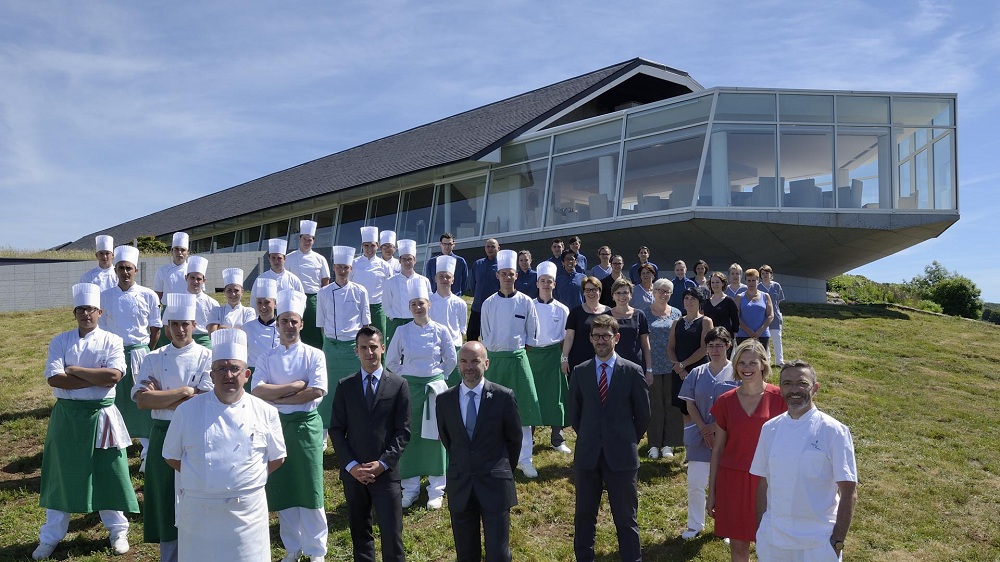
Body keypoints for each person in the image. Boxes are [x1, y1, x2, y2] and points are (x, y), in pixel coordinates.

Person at [162, 329, 287, 562]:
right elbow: (171, 455)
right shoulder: (186, 411)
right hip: (200, 512)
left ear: (247, 374)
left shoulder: (266, 411)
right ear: (211, 375)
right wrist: (203, 478)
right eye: (221, 369)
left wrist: (244, 481)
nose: (228, 375)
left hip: (247, 514)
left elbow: (277, 457)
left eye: (234, 369)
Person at [33, 283, 138, 561]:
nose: (85, 314)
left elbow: (113, 377)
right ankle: (50, 536)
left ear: (99, 312)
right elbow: (55, 379)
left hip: (102, 416)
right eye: (80, 309)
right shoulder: (60, 341)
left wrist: (75, 370)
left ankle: (118, 531)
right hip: (67, 416)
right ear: (75, 313)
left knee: (110, 472)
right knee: (62, 474)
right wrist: (95, 377)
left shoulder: (112, 340)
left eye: (90, 309)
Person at [133, 292, 214, 562]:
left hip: (195, 432)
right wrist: (185, 391)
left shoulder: (207, 356)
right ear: (167, 327)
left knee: (196, 493)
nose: (180, 330)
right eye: (175, 324)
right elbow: (142, 401)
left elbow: (206, 399)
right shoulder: (154, 357)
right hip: (162, 432)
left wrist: (162, 397)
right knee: (166, 497)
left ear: (194, 325)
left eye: (185, 324)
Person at [751, 361, 859, 561]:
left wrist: (837, 542)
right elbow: (763, 483)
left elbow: (849, 492)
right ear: (780, 388)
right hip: (773, 541)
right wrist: (761, 529)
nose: (794, 390)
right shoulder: (770, 429)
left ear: (815, 388)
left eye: (802, 383)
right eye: (787, 383)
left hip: (818, 544)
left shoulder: (834, 431)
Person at [251, 289, 329, 562]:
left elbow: (316, 390)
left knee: (310, 485)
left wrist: (277, 396)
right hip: (275, 427)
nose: (289, 325)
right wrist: (295, 386)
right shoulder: (266, 357)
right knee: (283, 487)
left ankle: (316, 550)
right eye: (284, 320)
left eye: (294, 321)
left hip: (306, 426)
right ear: (278, 323)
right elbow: (257, 390)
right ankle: (292, 547)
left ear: (301, 324)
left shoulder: (314, 355)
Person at [568, 315, 651, 562]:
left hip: (622, 456)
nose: (600, 341)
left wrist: (626, 439)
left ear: (617, 338)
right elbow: (575, 414)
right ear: (590, 339)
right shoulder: (580, 371)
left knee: (626, 519)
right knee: (584, 517)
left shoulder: (632, 371)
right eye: (596, 336)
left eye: (606, 336)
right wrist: (592, 436)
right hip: (588, 456)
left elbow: (643, 415)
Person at [435, 341, 522, 562]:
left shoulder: (503, 397)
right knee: (466, 554)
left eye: (475, 361)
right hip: (461, 485)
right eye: (464, 361)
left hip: (495, 485)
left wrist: (500, 470)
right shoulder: (444, 400)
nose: (469, 366)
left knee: (498, 554)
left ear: (486, 363)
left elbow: (514, 440)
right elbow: (449, 440)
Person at [330, 326, 411, 562]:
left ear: (383, 348)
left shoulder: (398, 385)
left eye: (374, 347)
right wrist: (352, 466)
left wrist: (383, 464)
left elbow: (403, 431)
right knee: (360, 535)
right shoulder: (345, 386)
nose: (369, 352)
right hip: (354, 475)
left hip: (386, 474)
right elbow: (336, 429)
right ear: (356, 351)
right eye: (364, 347)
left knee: (392, 535)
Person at [708, 340, 787, 562]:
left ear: (763, 364)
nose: (747, 367)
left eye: (752, 362)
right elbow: (718, 449)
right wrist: (712, 491)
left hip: (769, 482)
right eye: (741, 362)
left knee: (772, 545)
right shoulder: (725, 401)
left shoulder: (781, 399)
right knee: (738, 547)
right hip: (732, 481)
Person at [386, 279, 457, 509]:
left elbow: (451, 359)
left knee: (436, 437)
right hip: (410, 390)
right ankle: (410, 488)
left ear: (429, 304)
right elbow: (391, 361)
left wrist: (439, 377)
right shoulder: (402, 331)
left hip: (434, 390)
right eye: (414, 304)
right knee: (410, 436)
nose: (418, 307)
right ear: (409, 307)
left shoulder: (441, 330)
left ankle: (436, 489)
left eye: (421, 303)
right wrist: (405, 378)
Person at [480, 249, 542, 478]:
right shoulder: (488, 303)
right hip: (495, 361)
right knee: (492, 410)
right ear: (497, 275)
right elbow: (485, 334)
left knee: (524, 409)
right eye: (503, 273)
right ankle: (494, 455)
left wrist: (518, 353)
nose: (507, 277)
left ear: (516, 275)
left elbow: (532, 334)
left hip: (517, 360)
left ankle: (525, 459)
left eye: (511, 273)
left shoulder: (526, 302)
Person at [99, 245, 160, 470]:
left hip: (139, 353)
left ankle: (147, 453)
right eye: (121, 268)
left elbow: (155, 327)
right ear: (115, 270)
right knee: (116, 402)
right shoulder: (105, 297)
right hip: (114, 355)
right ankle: (117, 452)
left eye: (129, 268)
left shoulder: (148, 295)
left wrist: (146, 351)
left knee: (142, 400)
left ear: (136, 270)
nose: (125, 272)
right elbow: (101, 329)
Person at [677, 327, 737, 540]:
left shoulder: (737, 373)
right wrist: (704, 428)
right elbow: (690, 403)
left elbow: (739, 406)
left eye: (719, 345)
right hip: (699, 438)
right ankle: (695, 525)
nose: (715, 350)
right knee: (695, 483)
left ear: (728, 346)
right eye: (710, 346)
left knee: (726, 486)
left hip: (728, 440)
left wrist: (713, 428)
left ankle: (726, 526)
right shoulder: (697, 373)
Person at [316, 245, 370, 430]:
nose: (342, 270)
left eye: (345, 267)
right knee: (329, 387)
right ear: (333, 268)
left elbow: (365, 324)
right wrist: (330, 342)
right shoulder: (323, 292)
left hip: (353, 348)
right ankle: (325, 427)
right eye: (339, 267)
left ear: (351, 269)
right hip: (332, 346)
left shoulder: (360, 291)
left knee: (355, 388)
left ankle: (356, 424)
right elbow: (321, 324)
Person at [527, 261, 571, 454]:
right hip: (532, 355)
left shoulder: (562, 309)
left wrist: (564, 358)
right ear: (537, 283)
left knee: (555, 397)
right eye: (543, 280)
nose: (546, 284)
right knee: (531, 396)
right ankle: (528, 438)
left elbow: (565, 338)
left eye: (549, 281)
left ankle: (557, 439)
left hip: (554, 356)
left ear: (554, 284)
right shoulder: (528, 306)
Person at [641, 279, 683, 460]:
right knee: (655, 406)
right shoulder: (644, 314)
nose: (664, 294)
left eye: (667, 291)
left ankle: (668, 444)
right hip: (653, 367)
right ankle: (654, 444)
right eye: (660, 290)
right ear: (653, 292)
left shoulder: (677, 313)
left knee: (672, 406)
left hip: (673, 367)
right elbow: (643, 343)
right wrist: (648, 368)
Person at [285, 219, 332, 348]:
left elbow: (325, 281)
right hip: (295, 299)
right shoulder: (289, 258)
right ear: (299, 239)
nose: (307, 242)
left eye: (309, 239)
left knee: (315, 331)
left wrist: (323, 300)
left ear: (313, 241)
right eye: (304, 239)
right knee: (295, 329)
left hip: (313, 300)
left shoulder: (320, 259)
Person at [382, 239, 432, 345]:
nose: (407, 262)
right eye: (404, 259)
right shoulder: (390, 281)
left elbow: (429, 302)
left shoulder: (424, 280)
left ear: (415, 260)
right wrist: (394, 317)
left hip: (417, 322)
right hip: (397, 323)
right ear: (399, 261)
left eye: (410, 259)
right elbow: (386, 305)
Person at [561, 276, 612, 378]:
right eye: (587, 290)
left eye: (594, 290)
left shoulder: (609, 312)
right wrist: (564, 358)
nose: (591, 293)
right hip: (578, 360)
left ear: (600, 292)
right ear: (583, 292)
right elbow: (569, 337)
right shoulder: (575, 312)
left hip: (603, 359)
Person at [429, 254, 468, 386]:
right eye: (441, 276)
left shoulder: (460, 303)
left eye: (447, 277)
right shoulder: (428, 301)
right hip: (433, 349)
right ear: (435, 278)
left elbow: (462, 328)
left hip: (454, 349)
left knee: (455, 385)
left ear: (453, 280)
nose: (444, 279)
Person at [351, 226, 393, 338]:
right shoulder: (354, 263)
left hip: (377, 308)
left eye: (372, 245)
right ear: (362, 246)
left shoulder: (385, 265)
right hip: (358, 307)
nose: (369, 249)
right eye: (366, 245)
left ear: (377, 246)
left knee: (379, 337)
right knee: (359, 338)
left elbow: (390, 289)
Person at [242, 278, 281, 389]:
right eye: (259, 302)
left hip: (276, 374)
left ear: (275, 303)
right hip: (253, 373)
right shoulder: (247, 327)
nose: (262, 307)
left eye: (267, 302)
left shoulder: (283, 327)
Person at [609, 278, 652, 378]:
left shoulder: (639, 315)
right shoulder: (606, 316)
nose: (622, 296)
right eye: (618, 293)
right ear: (613, 296)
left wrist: (649, 369)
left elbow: (645, 345)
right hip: (613, 366)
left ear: (631, 295)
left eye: (625, 292)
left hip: (637, 365)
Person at [468, 238, 500, 342]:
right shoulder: (478, 264)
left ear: (498, 248)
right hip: (477, 307)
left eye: (493, 247)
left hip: (494, 309)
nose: (490, 249)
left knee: (491, 338)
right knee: (471, 336)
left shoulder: (501, 266)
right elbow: (473, 284)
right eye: (488, 246)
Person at [183, 255, 218, 348]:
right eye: (192, 278)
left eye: (198, 279)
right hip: (184, 341)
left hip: (206, 342)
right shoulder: (178, 300)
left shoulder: (212, 303)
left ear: (204, 280)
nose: (195, 281)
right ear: (186, 278)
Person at [736, 268, 774, 352]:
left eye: (753, 280)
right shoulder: (740, 297)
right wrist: (748, 331)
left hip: (762, 335)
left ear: (758, 281)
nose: (751, 283)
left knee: (760, 358)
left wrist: (760, 331)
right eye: (749, 280)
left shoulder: (765, 296)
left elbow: (770, 316)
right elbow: (736, 317)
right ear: (746, 282)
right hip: (743, 335)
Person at [208, 267, 256, 332]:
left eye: (236, 290)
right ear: (224, 292)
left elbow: (249, 333)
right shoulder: (216, 310)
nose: (233, 294)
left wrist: (223, 329)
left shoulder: (249, 311)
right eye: (229, 290)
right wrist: (240, 330)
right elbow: (212, 333)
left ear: (242, 292)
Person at [759, 265, 787, 367]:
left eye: (767, 273)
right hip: (763, 318)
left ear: (771, 274)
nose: (765, 275)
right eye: (763, 273)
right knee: (765, 340)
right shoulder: (758, 287)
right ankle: (767, 360)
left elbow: (778, 302)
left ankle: (779, 361)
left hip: (775, 318)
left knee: (777, 338)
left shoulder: (776, 286)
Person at [153, 232, 190, 302]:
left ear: (187, 253)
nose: (179, 252)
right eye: (176, 249)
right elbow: (158, 295)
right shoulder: (162, 271)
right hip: (167, 307)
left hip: (188, 307)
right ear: (171, 252)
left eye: (183, 250)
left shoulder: (193, 271)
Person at [703, 271, 740, 340]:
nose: (715, 285)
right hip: (710, 338)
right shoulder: (706, 302)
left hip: (725, 337)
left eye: (717, 282)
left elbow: (735, 320)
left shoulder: (729, 301)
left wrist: (733, 337)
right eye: (712, 282)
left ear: (722, 283)